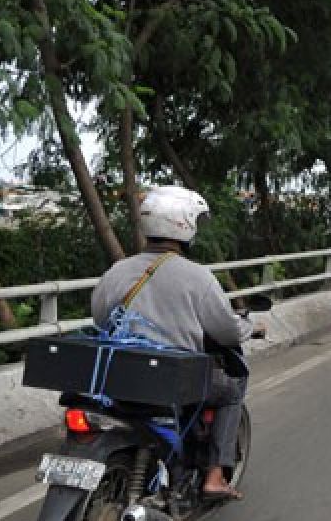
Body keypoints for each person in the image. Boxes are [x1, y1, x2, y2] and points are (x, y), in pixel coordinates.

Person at [90, 185, 264, 501]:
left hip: (118, 375)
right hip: (173, 379)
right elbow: (225, 330)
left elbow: (101, 319)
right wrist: (251, 327)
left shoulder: (117, 271)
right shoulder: (197, 277)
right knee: (233, 387)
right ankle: (214, 476)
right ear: (185, 224)